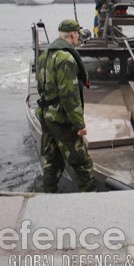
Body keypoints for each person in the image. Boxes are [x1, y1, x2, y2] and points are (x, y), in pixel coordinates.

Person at [35, 19, 96, 192]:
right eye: (78, 34)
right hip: (62, 120)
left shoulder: (45, 55)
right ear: (74, 34)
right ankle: (92, 199)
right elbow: (69, 96)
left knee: (52, 161)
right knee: (82, 162)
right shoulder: (66, 59)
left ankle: (49, 195)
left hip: (47, 116)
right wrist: (79, 124)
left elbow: (40, 87)